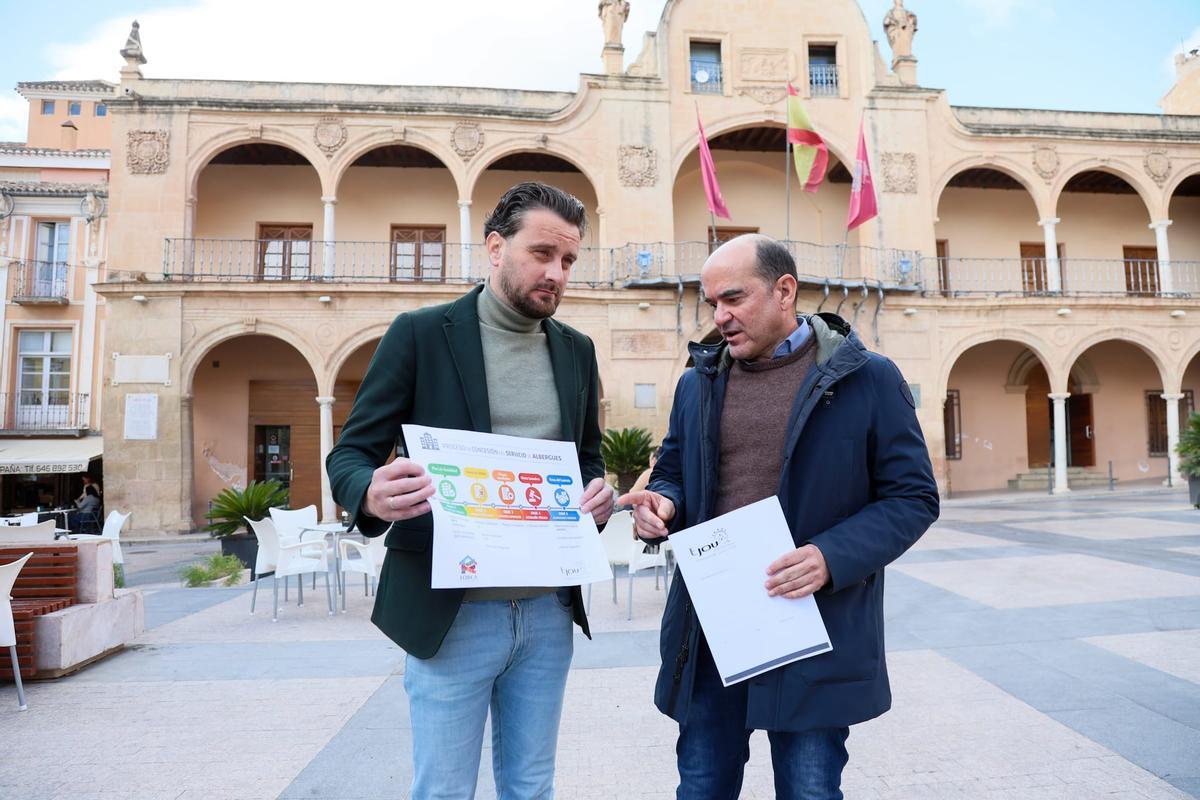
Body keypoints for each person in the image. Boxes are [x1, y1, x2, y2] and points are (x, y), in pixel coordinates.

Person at [619, 234, 939, 799]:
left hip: (813, 627)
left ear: (784, 291)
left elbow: (913, 497)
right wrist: (663, 503)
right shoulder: (697, 383)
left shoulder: (868, 378)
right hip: (710, 629)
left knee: (808, 790)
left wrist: (830, 557)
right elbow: (672, 470)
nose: (720, 316)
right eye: (712, 302)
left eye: (734, 298)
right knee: (701, 787)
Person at [326, 181, 615, 800]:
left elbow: (585, 456)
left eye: (568, 260)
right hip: (451, 614)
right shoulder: (420, 334)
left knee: (532, 787)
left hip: (548, 613)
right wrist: (369, 493)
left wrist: (597, 495)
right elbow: (349, 454)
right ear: (495, 247)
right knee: (444, 790)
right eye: (542, 253)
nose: (556, 273)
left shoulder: (578, 351)